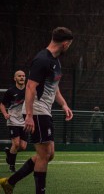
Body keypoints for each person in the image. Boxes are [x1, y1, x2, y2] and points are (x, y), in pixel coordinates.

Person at [0, 27, 74, 194]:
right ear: (65, 43)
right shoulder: (41, 60)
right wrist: (29, 116)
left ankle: (10, 182)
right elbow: (30, 88)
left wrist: (63, 105)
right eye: (69, 44)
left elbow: (54, 87)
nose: (69, 47)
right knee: (44, 155)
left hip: (45, 111)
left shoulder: (56, 61)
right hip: (38, 111)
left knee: (49, 154)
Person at [0, 70, 28, 172]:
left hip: (25, 121)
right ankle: (12, 166)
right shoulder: (10, 91)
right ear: (15, 78)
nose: (22, 77)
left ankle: (9, 154)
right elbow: (2, 105)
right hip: (13, 120)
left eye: (23, 76)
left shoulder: (29, 90)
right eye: (19, 76)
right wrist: (5, 114)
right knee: (16, 144)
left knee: (23, 146)